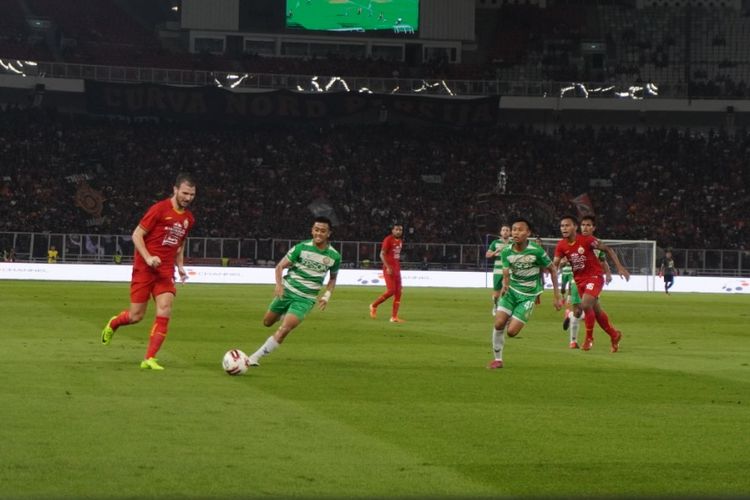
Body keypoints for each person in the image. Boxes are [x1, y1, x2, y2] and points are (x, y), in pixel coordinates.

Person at [100, 173, 197, 370]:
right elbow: (136, 235)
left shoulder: (189, 219)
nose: (188, 198)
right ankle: (115, 323)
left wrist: (180, 266)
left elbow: (180, 243)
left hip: (165, 271)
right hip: (145, 268)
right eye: (185, 193)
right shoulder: (159, 209)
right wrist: (148, 258)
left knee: (165, 308)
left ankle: (149, 358)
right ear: (175, 190)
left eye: (192, 195)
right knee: (136, 316)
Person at [247, 217, 341, 366]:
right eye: (316, 230)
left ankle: (254, 357)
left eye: (323, 231)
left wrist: (327, 295)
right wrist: (279, 285)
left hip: (305, 299)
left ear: (329, 233)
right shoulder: (301, 248)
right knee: (267, 322)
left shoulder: (334, 256)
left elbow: (333, 278)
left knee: (284, 329)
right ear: (312, 230)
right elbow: (280, 267)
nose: (319, 233)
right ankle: (284, 313)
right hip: (287, 292)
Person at [488, 218, 561, 369]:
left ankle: (513, 319)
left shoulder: (537, 251)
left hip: (528, 296)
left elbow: (553, 269)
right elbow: (506, 271)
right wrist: (505, 285)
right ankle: (498, 359)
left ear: (528, 233)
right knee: (498, 323)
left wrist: (556, 295)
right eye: (514, 229)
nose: (516, 232)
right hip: (511, 292)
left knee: (512, 332)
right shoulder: (506, 251)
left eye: (520, 230)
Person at [553, 215, 630, 353]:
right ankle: (614, 335)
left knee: (585, 305)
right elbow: (555, 264)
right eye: (562, 226)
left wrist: (619, 267)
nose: (564, 228)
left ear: (574, 227)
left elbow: (608, 250)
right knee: (596, 311)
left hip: (594, 276)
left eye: (567, 225)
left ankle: (589, 338)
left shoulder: (588, 240)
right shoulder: (561, 245)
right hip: (579, 280)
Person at [369, 223, 405, 323]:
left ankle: (394, 317)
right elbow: (381, 254)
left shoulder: (400, 241)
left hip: (397, 269)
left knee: (399, 293)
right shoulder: (388, 240)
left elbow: (395, 256)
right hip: (389, 269)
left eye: (400, 230)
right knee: (391, 291)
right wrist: (388, 267)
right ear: (392, 230)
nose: (398, 231)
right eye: (397, 229)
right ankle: (374, 305)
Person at [485, 224, 512, 316]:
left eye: (507, 230)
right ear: (501, 232)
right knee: (496, 295)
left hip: (509, 271)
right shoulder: (495, 243)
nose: (505, 232)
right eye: (503, 230)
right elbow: (487, 255)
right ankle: (495, 305)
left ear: (510, 232)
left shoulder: (513, 244)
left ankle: (504, 308)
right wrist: (496, 251)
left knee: (506, 290)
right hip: (498, 271)